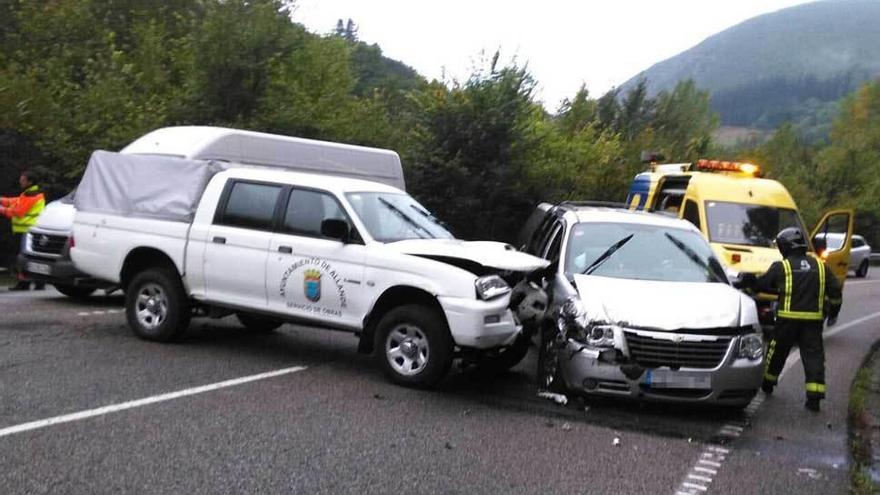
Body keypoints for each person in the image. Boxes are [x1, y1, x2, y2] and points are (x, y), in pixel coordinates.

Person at [739, 227, 842, 412]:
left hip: (787, 321)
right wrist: (833, 312)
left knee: (776, 352)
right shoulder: (821, 266)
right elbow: (835, 292)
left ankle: (768, 384)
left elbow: (761, 284)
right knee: (814, 356)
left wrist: (748, 281)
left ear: (785, 247)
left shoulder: (782, 267)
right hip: (813, 322)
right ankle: (814, 397)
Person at [0, 170, 46, 290]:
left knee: (22, 257)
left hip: (26, 230)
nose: (20, 181)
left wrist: (1, 209)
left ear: (30, 182)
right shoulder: (30, 193)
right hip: (28, 230)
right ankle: (38, 282)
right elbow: (15, 201)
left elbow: (17, 211)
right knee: (31, 257)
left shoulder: (31, 195)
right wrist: (2, 200)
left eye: (23, 180)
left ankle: (24, 282)